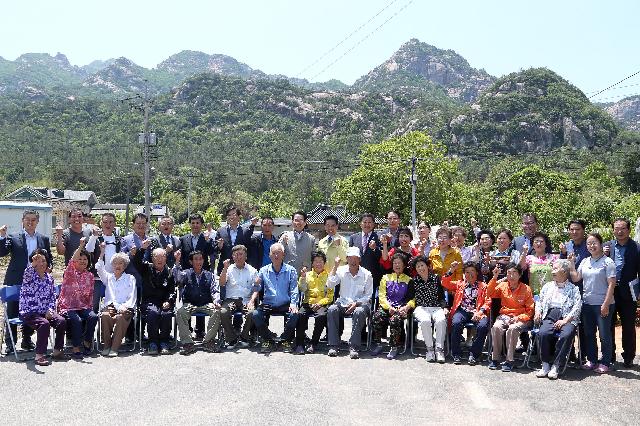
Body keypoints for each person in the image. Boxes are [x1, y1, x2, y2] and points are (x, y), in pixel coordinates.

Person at [0, 210, 53, 353]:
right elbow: (1, 252)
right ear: (22, 220)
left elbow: (49, 259)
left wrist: (49, 268)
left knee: (32, 310)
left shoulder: (43, 239)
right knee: (12, 311)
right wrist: (2, 237)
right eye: (27, 219)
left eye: (33, 220)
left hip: (36, 282)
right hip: (16, 279)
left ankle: (27, 340)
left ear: (37, 221)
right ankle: (10, 344)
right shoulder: (13, 237)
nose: (30, 222)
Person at [569, 233, 617, 373]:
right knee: (589, 333)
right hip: (587, 304)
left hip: (603, 303)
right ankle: (592, 360)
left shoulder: (608, 262)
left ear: (601, 244)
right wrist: (571, 263)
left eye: (594, 243)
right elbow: (577, 278)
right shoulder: (585, 261)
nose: (592, 246)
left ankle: (606, 362)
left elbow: (611, 285)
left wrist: (606, 304)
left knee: (604, 335)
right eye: (589, 243)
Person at [534, 260, 582, 379]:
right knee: (543, 333)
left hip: (568, 317)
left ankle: (556, 365)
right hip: (550, 314)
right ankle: (545, 364)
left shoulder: (574, 289)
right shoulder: (547, 286)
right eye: (553, 268)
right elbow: (539, 301)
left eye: (555, 269)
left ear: (564, 272)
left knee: (566, 335)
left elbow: (577, 307)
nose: (552, 271)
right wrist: (538, 311)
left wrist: (565, 321)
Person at [19, 248, 67, 365]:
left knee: (61, 321)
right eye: (38, 261)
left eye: (44, 261)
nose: (41, 263)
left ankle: (57, 351)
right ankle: (39, 355)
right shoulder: (29, 276)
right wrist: (33, 263)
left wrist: (50, 310)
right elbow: (27, 272)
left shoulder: (49, 278)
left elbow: (52, 297)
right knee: (44, 324)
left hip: (44, 312)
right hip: (29, 312)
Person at [249, 242, 299, 353]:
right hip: (268, 303)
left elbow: (294, 289)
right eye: (274, 253)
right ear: (270, 255)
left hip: (285, 303)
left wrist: (294, 303)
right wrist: (253, 295)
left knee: (295, 314)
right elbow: (257, 289)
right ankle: (268, 339)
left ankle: (284, 340)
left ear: (283, 255)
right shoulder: (263, 270)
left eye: (279, 253)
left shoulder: (291, 270)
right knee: (256, 314)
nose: (276, 256)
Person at [326, 246, 374, 359]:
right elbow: (330, 284)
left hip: (361, 304)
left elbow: (368, 296)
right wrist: (335, 266)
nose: (353, 261)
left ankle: (354, 346)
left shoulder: (367, 274)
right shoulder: (341, 270)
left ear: (359, 260)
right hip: (343, 302)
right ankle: (333, 345)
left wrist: (356, 303)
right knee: (332, 309)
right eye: (350, 258)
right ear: (347, 259)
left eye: (356, 258)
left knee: (359, 312)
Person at [486, 263, 535, 372]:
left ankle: (509, 360)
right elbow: (489, 293)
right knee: (496, 327)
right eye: (509, 273)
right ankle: (495, 358)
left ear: (519, 275)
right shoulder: (503, 285)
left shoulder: (526, 289)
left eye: (514, 273)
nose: (511, 276)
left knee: (512, 329)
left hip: (522, 317)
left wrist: (519, 318)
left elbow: (530, 311)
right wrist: (494, 277)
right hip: (505, 315)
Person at [172, 249, 222, 355]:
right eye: (196, 259)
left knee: (217, 311)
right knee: (180, 313)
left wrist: (216, 301)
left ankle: (208, 341)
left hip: (205, 303)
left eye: (200, 259)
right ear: (191, 262)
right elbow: (177, 278)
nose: (199, 261)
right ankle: (188, 343)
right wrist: (177, 261)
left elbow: (214, 290)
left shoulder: (209, 275)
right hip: (190, 303)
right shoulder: (186, 273)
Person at [605, 218, 639, 368]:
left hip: (629, 292)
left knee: (628, 325)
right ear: (613, 230)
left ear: (629, 230)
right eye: (616, 228)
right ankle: (609, 355)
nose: (619, 231)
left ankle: (629, 356)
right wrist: (603, 255)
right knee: (608, 325)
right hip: (609, 292)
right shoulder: (607, 246)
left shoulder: (637, 248)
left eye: (623, 228)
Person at [441, 261, 491, 365]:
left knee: (483, 326)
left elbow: (488, 301)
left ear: (477, 272)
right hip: (462, 310)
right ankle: (456, 353)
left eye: (472, 271)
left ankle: (474, 354)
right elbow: (444, 283)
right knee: (456, 323)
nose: (470, 274)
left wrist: (480, 312)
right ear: (464, 274)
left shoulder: (484, 286)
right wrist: (451, 270)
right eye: (467, 272)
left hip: (477, 312)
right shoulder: (460, 284)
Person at [57, 237, 97, 359]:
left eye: (85, 259)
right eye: (80, 259)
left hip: (83, 306)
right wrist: (80, 247)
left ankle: (87, 341)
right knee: (77, 320)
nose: (83, 261)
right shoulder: (70, 272)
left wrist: (89, 308)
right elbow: (72, 259)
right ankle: (76, 347)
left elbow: (90, 294)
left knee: (93, 316)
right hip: (68, 306)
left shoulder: (89, 275)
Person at [179, 213, 217, 340]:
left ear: (201, 225)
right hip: (187, 275)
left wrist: (207, 242)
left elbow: (212, 253)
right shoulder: (183, 239)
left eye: (198, 223)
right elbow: (183, 257)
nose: (195, 225)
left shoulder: (206, 238)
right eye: (193, 223)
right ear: (189, 224)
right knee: (188, 300)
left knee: (203, 299)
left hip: (203, 273)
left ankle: (200, 331)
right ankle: (188, 330)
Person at [134, 240, 176, 355]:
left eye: (162, 256)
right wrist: (142, 249)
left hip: (164, 301)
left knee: (166, 314)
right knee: (153, 313)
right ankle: (152, 342)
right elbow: (137, 262)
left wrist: (168, 301)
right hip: (149, 301)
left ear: (166, 258)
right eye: (156, 256)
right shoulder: (146, 269)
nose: (160, 259)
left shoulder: (169, 272)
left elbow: (172, 291)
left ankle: (164, 342)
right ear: (152, 258)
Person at [371, 253, 415, 360]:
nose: (397, 265)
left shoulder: (409, 280)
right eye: (395, 263)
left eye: (399, 263)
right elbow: (381, 295)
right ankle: (378, 344)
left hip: (402, 308)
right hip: (387, 307)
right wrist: (388, 307)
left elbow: (412, 299)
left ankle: (394, 346)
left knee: (395, 320)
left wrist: (406, 307)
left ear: (404, 265)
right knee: (376, 317)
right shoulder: (386, 278)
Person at [96, 245, 137, 357]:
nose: (117, 266)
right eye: (115, 263)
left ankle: (115, 347)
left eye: (120, 263)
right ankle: (106, 346)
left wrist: (126, 306)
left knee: (120, 317)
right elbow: (99, 268)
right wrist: (102, 252)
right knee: (105, 315)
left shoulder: (130, 278)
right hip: (110, 307)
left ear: (125, 266)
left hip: (125, 307)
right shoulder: (108, 277)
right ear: (112, 265)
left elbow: (132, 295)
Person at [559, 219, 589, 363]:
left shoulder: (588, 245)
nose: (574, 232)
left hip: (586, 289)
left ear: (583, 230)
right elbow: (561, 266)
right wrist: (563, 254)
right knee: (568, 321)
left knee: (583, 325)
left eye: (577, 229)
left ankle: (583, 355)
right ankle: (569, 354)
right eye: (571, 229)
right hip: (568, 291)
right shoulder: (567, 246)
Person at [218, 245, 258, 349]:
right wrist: (225, 268)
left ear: (246, 256)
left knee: (252, 312)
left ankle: (244, 337)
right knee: (223, 312)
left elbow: (256, 288)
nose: (238, 257)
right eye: (236, 255)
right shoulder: (229, 269)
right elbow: (222, 283)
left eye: (241, 254)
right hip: (231, 300)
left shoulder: (252, 270)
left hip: (246, 300)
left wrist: (252, 301)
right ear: (232, 257)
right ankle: (232, 338)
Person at [294, 251, 333, 354]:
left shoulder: (329, 276)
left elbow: (330, 296)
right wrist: (302, 278)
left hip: (321, 303)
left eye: (320, 261)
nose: (318, 264)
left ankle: (313, 343)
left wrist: (320, 303)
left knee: (321, 316)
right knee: (300, 314)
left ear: (324, 263)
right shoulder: (307, 275)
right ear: (312, 263)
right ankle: (300, 344)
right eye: (316, 261)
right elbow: (302, 289)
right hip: (308, 302)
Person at [410, 256, 447, 363]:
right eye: (418, 266)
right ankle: (430, 350)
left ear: (428, 266)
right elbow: (411, 298)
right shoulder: (414, 280)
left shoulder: (436, 278)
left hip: (436, 306)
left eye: (422, 265)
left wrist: (444, 308)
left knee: (441, 320)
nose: (420, 268)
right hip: (421, 307)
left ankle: (439, 350)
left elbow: (441, 297)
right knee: (425, 321)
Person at [85, 212, 122, 313]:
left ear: (114, 224)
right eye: (105, 222)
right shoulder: (96, 238)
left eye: (110, 222)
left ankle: (108, 327)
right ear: (101, 223)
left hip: (114, 278)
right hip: (98, 278)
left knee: (113, 307)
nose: (108, 224)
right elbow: (88, 250)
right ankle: (92, 327)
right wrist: (93, 236)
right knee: (94, 306)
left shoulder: (118, 240)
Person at [488, 229, 521, 323]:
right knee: (493, 316)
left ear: (510, 241)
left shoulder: (514, 254)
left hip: (508, 288)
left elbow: (515, 272)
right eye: (499, 238)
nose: (501, 240)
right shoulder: (491, 254)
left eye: (504, 238)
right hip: (494, 288)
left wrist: (501, 281)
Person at [215, 207, 257, 274]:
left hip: (241, 267)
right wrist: (219, 246)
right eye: (229, 215)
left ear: (238, 217)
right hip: (225, 267)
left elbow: (248, 249)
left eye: (234, 214)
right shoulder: (220, 231)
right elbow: (216, 250)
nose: (231, 217)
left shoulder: (245, 231)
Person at [348, 213, 382, 289]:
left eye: (369, 222)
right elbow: (349, 257)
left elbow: (381, 256)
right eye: (365, 222)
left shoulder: (378, 237)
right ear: (360, 224)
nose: (367, 225)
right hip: (356, 275)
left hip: (373, 275)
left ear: (373, 224)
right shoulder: (353, 237)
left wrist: (374, 249)